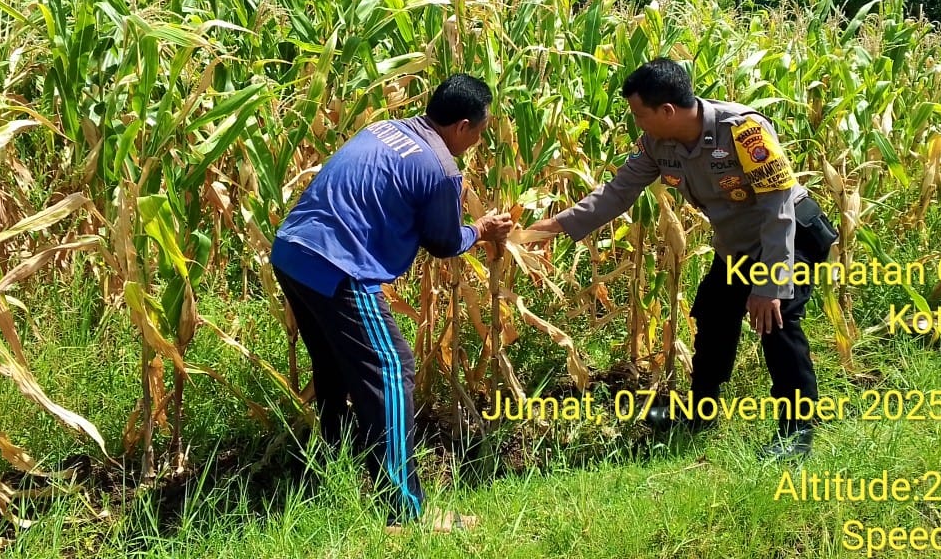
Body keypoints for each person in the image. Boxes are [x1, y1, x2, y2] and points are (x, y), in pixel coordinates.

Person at [528, 58, 838, 460]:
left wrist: (770, 284)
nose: (636, 123)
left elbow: (777, 209)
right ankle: (701, 413)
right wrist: (551, 228)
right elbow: (617, 193)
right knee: (712, 316)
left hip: (788, 236)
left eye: (640, 114)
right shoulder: (657, 144)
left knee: (776, 323)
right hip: (737, 245)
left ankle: (797, 431)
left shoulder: (743, 130)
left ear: (667, 111)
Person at [270, 74, 513, 530]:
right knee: (392, 368)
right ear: (462, 126)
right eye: (479, 132)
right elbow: (443, 242)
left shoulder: (383, 128)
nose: (477, 142)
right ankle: (405, 510)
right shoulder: (441, 166)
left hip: (291, 251)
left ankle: (332, 471)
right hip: (338, 267)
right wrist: (481, 230)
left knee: (334, 368)